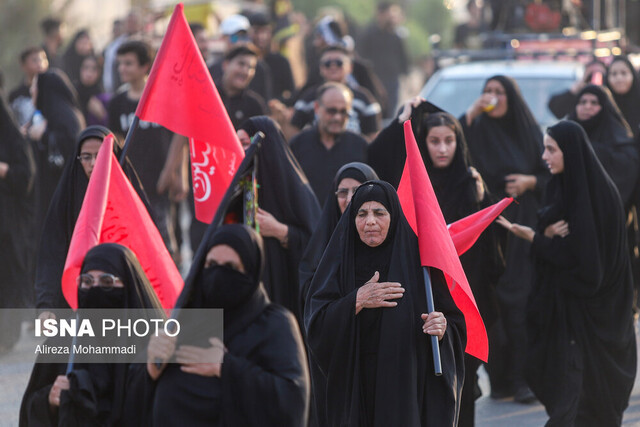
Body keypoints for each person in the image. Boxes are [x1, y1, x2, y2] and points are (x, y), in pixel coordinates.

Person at [497, 120, 637, 426]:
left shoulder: (592, 198)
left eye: (551, 149)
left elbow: (588, 271)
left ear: (570, 152)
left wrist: (536, 238)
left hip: (591, 329)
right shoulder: (567, 187)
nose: (544, 156)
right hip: (573, 325)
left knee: (578, 412)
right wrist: (545, 234)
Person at [305, 180, 466, 426]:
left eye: (379, 213)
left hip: (405, 390)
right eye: (362, 214)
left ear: (394, 217)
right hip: (356, 389)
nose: (370, 221)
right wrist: (354, 302)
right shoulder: (338, 264)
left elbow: (453, 324)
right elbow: (316, 325)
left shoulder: (419, 265)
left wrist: (442, 329)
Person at [147, 224, 310, 426]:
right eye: (212, 264)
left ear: (251, 272)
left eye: (231, 267)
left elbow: (292, 404)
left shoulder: (274, 324)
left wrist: (226, 367)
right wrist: (151, 366)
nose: (218, 275)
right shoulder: (183, 320)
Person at [461, 75, 548, 402]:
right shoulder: (476, 129)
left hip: (522, 228)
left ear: (512, 98)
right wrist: (472, 111)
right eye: (488, 91)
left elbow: (550, 173)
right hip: (487, 229)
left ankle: (526, 379)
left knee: (520, 302)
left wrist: (529, 182)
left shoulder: (527, 132)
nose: (492, 97)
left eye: (499, 92)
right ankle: (500, 379)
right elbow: (453, 151)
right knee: (492, 304)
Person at [20, 243, 163, 427]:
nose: (95, 290)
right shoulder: (64, 340)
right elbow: (29, 409)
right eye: (87, 282)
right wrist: (49, 399)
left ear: (128, 285)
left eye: (107, 282)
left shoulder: (153, 341)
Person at [35, 126, 148, 313]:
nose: (94, 163)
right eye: (86, 157)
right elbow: (52, 252)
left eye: (101, 155)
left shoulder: (131, 197)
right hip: (77, 303)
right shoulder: (68, 198)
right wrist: (46, 306)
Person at [298, 162, 378, 426]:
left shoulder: (389, 240)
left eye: (357, 191)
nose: (350, 199)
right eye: (342, 193)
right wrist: (352, 300)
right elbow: (312, 302)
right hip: (335, 362)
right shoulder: (322, 242)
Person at [235, 116, 320, 321]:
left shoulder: (296, 189)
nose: (240, 151)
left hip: (284, 295)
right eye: (236, 144)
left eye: (245, 144)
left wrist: (281, 232)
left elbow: (318, 248)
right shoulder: (236, 187)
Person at [108, 40, 176, 256]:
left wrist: (176, 172)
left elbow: (178, 137)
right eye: (120, 64)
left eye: (128, 63)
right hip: (132, 180)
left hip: (160, 181)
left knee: (165, 239)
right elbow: (115, 139)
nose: (122, 69)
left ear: (145, 66)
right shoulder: (117, 102)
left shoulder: (163, 96)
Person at [290, 82, 368, 203]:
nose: (337, 117)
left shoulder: (360, 146)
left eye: (343, 112)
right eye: (331, 111)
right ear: (317, 108)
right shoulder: (297, 145)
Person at [30, 69, 85, 239]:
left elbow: (70, 144)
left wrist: (43, 136)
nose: (32, 90)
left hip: (62, 195)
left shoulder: (64, 116)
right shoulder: (51, 114)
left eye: (35, 86)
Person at [0, 96, 36, 352]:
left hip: (7, 223)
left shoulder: (10, 138)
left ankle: (6, 338)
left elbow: (26, 176)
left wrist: (4, 171)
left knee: (7, 280)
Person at [567, 84, 638, 208]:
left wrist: (592, 151)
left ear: (604, 107)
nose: (587, 106)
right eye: (582, 102)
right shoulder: (566, 136)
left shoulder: (619, 139)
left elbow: (627, 171)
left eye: (594, 102)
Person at [291, 45, 382, 141]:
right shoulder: (308, 98)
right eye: (327, 63)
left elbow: (373, 136)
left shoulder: (364, 98)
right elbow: (294, 133)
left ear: (350, 67)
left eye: (339, 63)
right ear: (320, 68)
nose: (333, 66)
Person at [357, 2, 409, 117]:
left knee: (391, 110)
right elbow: (362, 56)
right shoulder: (368, 33)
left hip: (392, 79)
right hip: (375, 79)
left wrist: (405, 76)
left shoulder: (395, 34)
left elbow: (402, 56)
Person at [215, 44, 268, 130]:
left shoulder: (255, 105)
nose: (245, 72)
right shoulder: (208, 95)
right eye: (241, 64)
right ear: (226, 65)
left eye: (251, 67)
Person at [9, 47, 48, 127]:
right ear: (23, 66)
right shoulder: (15, 96)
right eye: (35, 60)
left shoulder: (53, 90)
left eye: (43, 59)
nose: (40, 64)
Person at [606, 56, 640, 138]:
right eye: (614, 74)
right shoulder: (600, 104)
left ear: (633, 75)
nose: (619, 78)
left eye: (624, 73)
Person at [74, 55, 109, 126]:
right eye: (86, 68)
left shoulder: (103, 97)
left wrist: (101, 114)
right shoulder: (72, 92)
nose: (89, 73)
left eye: (94, 69)